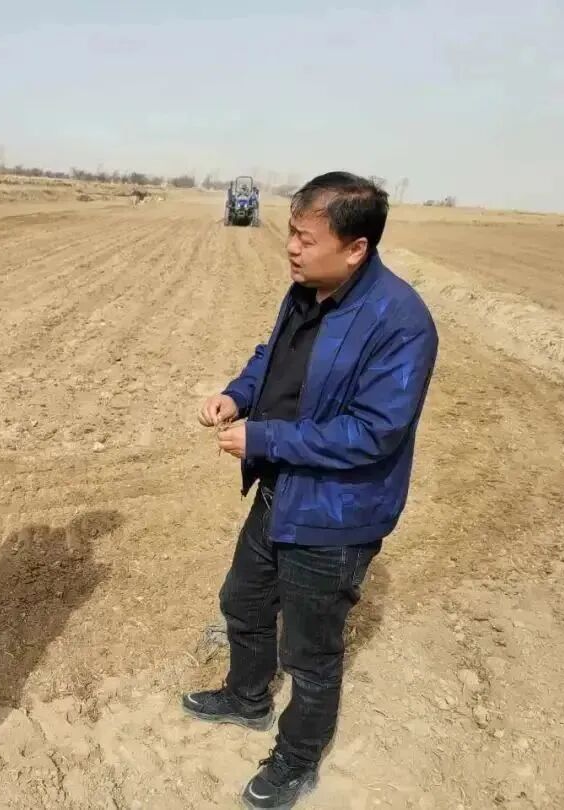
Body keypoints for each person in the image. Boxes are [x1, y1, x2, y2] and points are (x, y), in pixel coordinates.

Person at [184, 172, 438, 809]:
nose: (291, 247)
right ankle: (246, 698)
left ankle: (296, 759)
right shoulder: (306, 290)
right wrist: (237, 395)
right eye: (292, 233)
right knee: (243, 601)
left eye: (305, 237)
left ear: (355, 248)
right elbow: (272, 358)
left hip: (337, 514)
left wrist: (264, 438)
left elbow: (373, 432)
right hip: (281, 489)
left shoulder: (401, 323)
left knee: (310, 651)